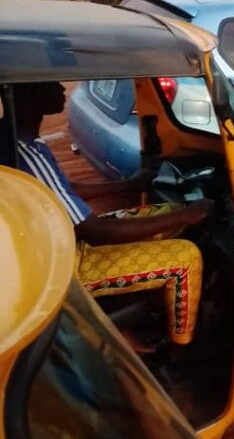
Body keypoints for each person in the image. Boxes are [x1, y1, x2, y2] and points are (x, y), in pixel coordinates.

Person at [7, 81, 211, 347]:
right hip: (64, 264)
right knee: (187, 256)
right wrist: (184, 217)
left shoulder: (14, 138)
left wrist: (126, 186)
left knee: (165, 212)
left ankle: (149, 306)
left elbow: (62, 189)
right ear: (27, 93)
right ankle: (178, 348)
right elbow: (94, 231)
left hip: (52, 242)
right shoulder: (24, 151)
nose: (61, 88)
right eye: (49, 83)